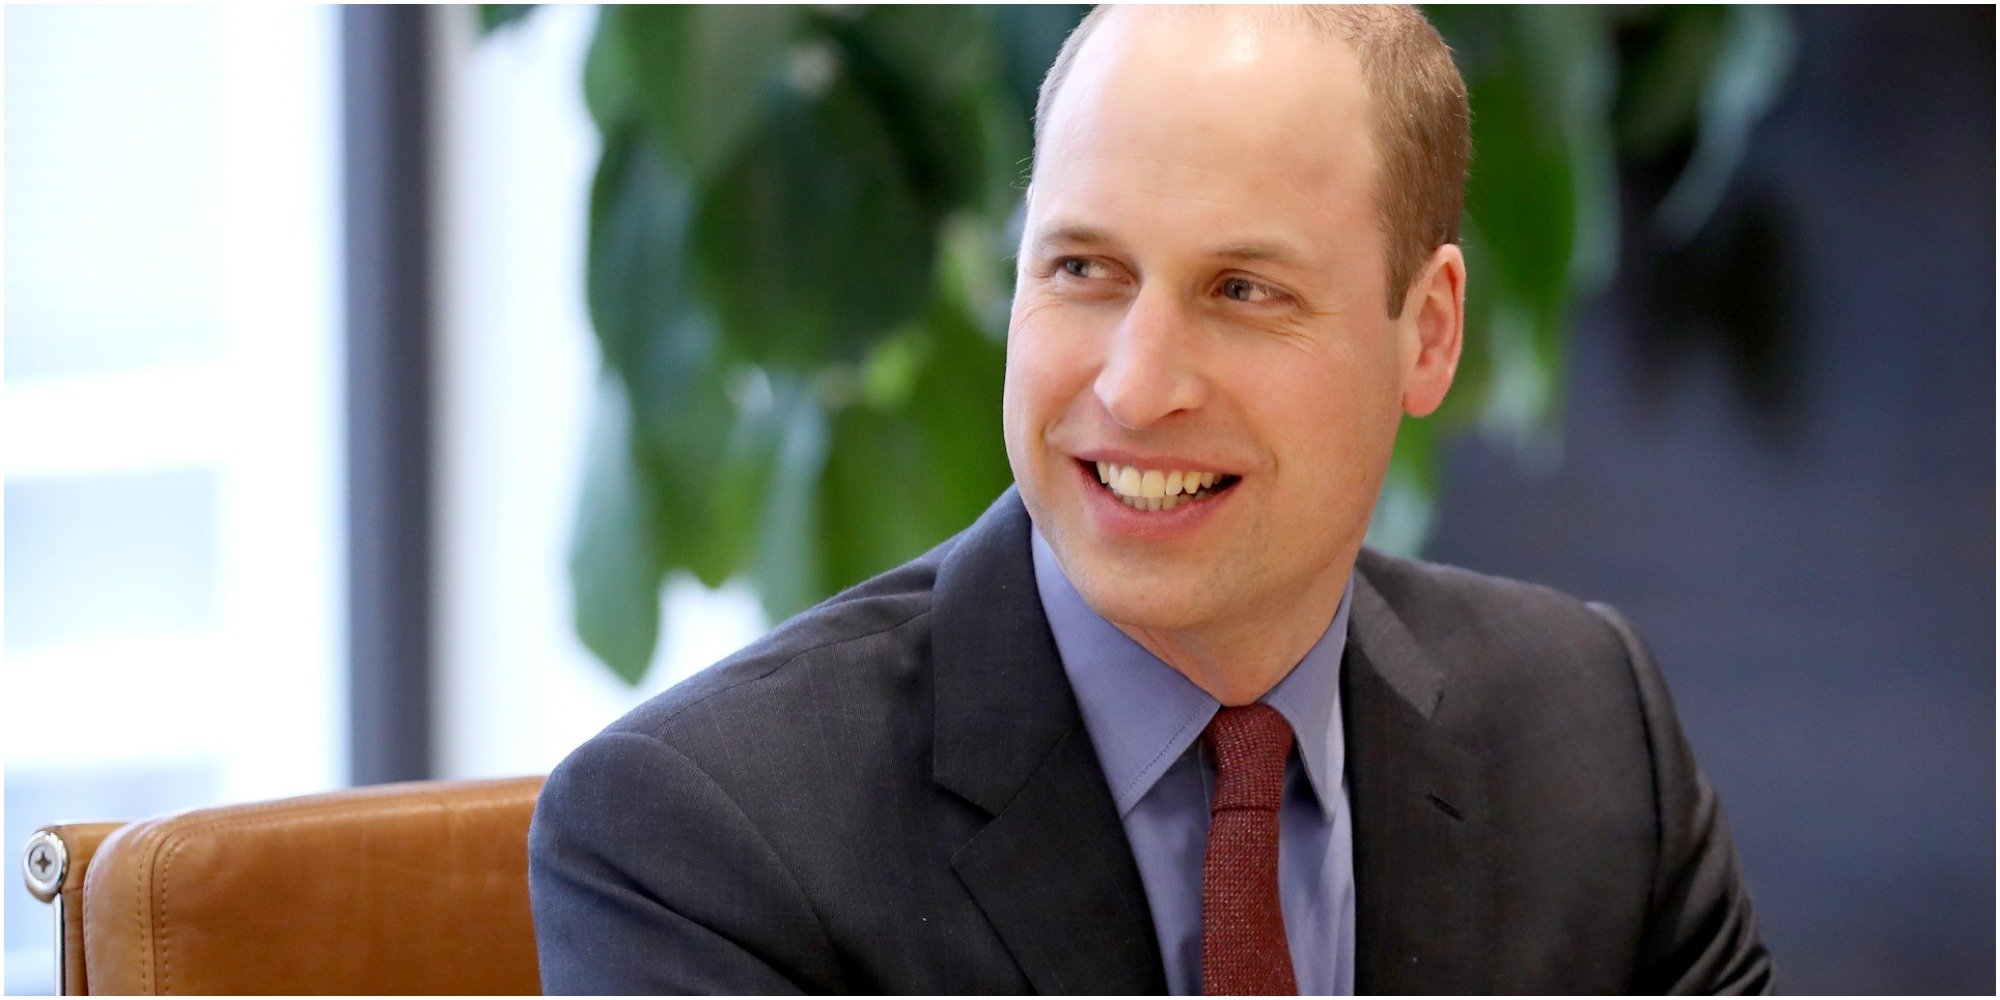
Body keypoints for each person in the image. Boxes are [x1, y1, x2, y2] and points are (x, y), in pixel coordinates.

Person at [528, 5, 1774, 994]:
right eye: (1082, 268)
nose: (1134, 385)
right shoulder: (703, 837)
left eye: (1241, 290)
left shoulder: (1590, 727)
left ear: (1428, 333)